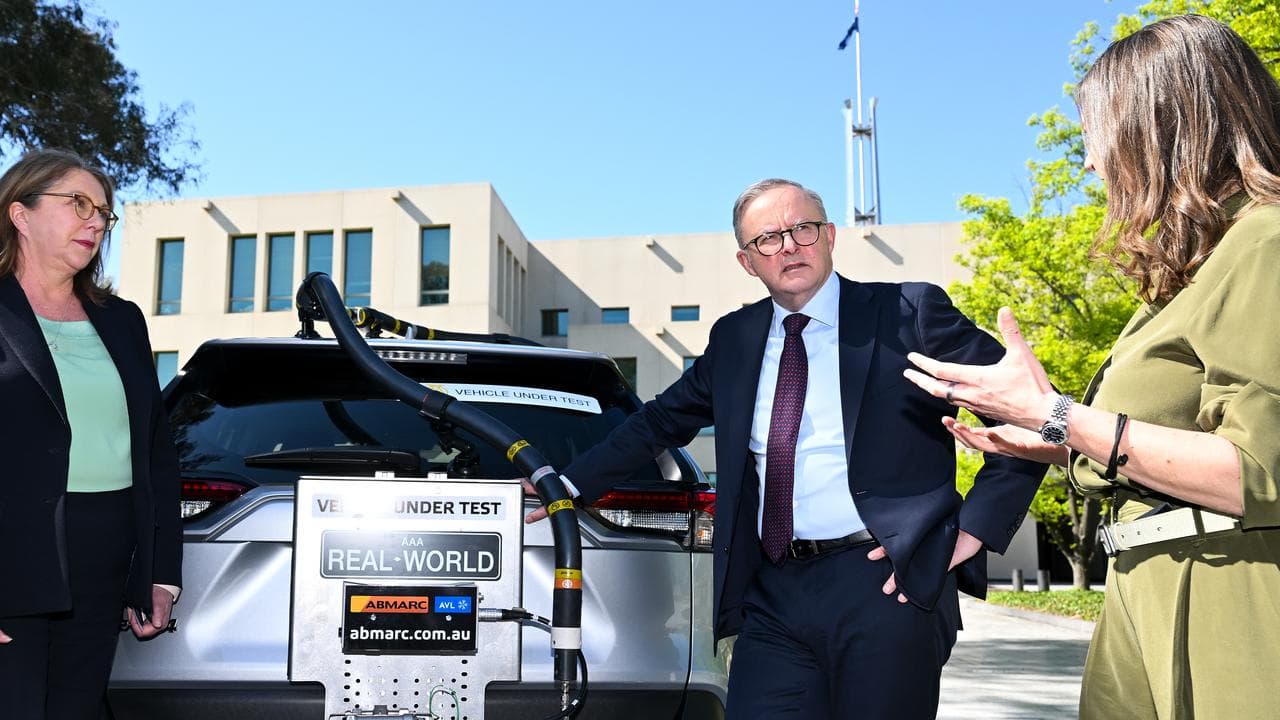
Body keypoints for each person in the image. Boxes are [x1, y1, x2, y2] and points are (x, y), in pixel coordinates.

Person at [529, 178, 1047, 718]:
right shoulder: (735, 339)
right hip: (773, 592)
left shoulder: (909, 313)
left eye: (802, 229)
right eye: (768, 239)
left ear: (829, 236)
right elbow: (659, 422)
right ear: (748, 261)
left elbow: (1026, 413)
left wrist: (972, 532)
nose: (789, 246)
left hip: (886, 584)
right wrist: (564, 483)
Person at [901, 15, 1280, 719]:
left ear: (1161, 126)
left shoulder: (1265, 243)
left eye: (1097, 139)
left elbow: (1259, 472)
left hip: (1227, 600)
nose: (1089, 165)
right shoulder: (1193, 269)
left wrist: (1056, 415)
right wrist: (1053, 440)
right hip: (1144, 587)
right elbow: (1181, 436)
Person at [0, 148, 184, 719]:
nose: (97, 221)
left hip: (105, 554)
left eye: (104, 211)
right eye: (78, 203)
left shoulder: (122, 319)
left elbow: (156, 452)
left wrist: (161, 573)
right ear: (20, 213)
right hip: (11, 555)